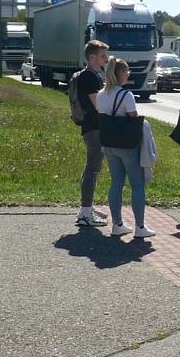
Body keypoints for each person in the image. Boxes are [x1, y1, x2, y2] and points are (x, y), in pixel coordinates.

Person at [96, 57, 156, 238]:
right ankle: (140, 227)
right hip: (127, 145)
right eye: (126, 71)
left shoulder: (100, 94)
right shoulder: (126, 95)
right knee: (137, 185)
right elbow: (134, 118)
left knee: (116, 183)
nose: (128, 74)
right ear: (120, 74)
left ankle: (118, 224)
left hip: (109, 143)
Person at [76, 40, 109, 227]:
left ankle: (86, 208)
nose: (106, 58)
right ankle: (85, 214)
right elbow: (99, 105)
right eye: (103, 55)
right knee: (92, 169)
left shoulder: (92, 75)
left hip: (92, 128)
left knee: (91, 169)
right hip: (93, 128)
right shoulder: (89, 77)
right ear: (92, 57)